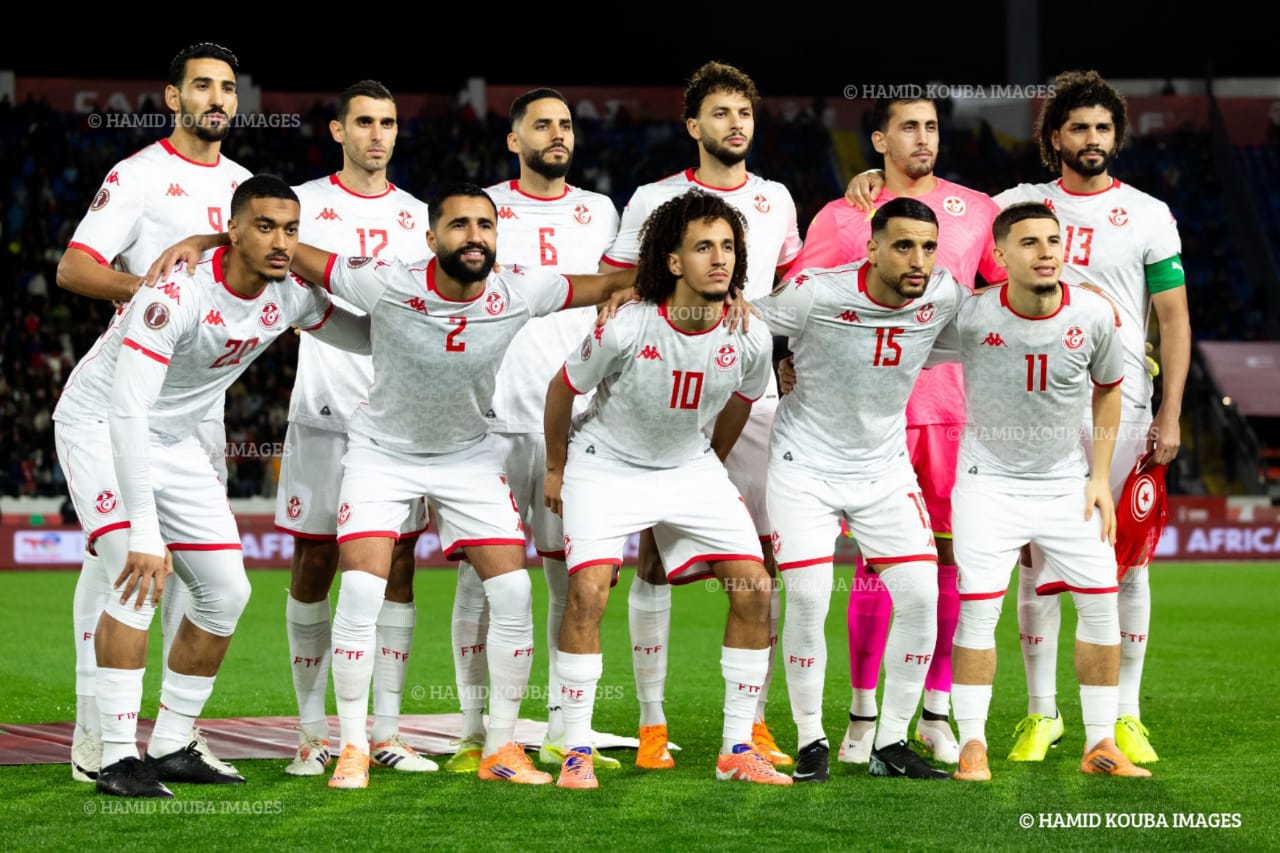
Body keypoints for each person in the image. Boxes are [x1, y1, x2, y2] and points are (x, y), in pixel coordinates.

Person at [281, 182, 638, 789]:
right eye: (459, 225)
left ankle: (500, 747)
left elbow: (607, 283)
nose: (474, 236)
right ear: (430, 238)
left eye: (485, 225)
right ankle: (353, 747)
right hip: (382, 454)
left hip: (467, 456)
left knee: (515, 594)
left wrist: (640, 289)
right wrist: (207, 239)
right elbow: (288, 250)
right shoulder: (386, 281)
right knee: (362, 591)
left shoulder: (520, 288)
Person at [53, 175, 371, 797]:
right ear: (232, 231)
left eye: (291, 230)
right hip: (101, 426)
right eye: (265, 227)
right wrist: (145, 533)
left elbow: (364, 336)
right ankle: (115, 758)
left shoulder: (291, 295)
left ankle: (172, 743)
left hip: (173, 438)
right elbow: (126, 410)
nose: (281, 242)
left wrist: (433, 310)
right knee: (134, 577)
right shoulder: (177, 293)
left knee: (225, 592)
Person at [53, 41, 250, 785]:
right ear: (173, 97)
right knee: (125, 565)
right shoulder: (138, 174)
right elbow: (75, 268)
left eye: (227, 87)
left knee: (200, 579)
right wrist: (156, 295)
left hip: (198, 411)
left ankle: (174, 736)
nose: (217, 98)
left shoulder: (244, 188)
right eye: (202, 85)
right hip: (125, 394)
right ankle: (96, 740)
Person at [546, 190, 789, 789]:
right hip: (605, 465)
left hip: (688, 467)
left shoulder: (751, 334)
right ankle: (575, 747)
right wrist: (555, 467)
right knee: (588, 592)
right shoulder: (628, 324)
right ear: (674, 261)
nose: (720, 258)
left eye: (728, 246)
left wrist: (711, 464)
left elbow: (744, 398)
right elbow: (562, 388)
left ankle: (737, 747)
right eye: (703, 247)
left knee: (755, 587)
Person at [601, 60, 802, 769]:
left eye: (743, 112)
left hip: (755, 396)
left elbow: (793, 287)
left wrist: (778, 342)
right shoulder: (654, 198)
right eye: (720, 113)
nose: (735, 124)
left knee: (764, 563)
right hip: (673, 399)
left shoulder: (777, 198)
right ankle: (652, 723)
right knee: (655, 558)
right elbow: (619, 286)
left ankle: (754, 723)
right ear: (693, 125)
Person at [793, 97, 1004, 767]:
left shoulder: (978, 210)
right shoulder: (842, 215)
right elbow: (801, 295)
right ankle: (863, 717)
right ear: (879, 139)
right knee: (873, 567)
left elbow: (1006, 296)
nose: (924, 137)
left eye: (932, 126)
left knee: (949, 562)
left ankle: (934, 712)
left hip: (953, 412)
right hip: (866, 419)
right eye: (908, 126)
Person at [992, 71, 1189, 765]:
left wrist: (1171, 412)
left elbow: (1173, 319)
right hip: (1036, 406)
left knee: (1127, 561)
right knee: (1036, 561)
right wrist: (873, 181)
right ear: (1054, 137)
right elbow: (945, 225)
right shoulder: (1018, 204)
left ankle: (1125, 715)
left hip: (1126, 405)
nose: (1092, 138)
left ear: (1117, 137)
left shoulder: (1148, 214)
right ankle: (1041, 714)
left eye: (1103, 127)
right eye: (1078, 127)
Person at [939, 201, 1150, 781]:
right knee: (979, 611)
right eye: (1029, 242)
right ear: (1000, 255)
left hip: (1066, 487)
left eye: (1053, 241)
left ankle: (1101, 743)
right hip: (987, 487)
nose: (1046, 252)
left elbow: (1109, 389)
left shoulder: (1095, 314)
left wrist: (1099, 476)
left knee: (1101, 605)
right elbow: (904, 345)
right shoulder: (972, 315)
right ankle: (972, 744)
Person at [443, 88, 622, 774]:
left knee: (568, 578)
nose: (558, 134)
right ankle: (473, 733)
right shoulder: (483, 209)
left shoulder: (600, 210)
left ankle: (557, 728)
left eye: (566, 124)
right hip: (489, 420)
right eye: (542, 124)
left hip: (575, 420)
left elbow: (617, 295)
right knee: (481, 579)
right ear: (514, 140)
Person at [758, 198, 964, 782]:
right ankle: (811, 740)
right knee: (808, 598)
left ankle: (891, 742)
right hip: (804, 467)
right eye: (903, 246)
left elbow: (995, 324)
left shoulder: (944, 293)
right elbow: (746, 323)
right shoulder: (815, 293)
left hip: (884, 470)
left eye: (928, 246)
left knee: (921, 597)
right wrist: (776, 363)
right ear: (872, 249)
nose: (918, 259)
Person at [273, 80, 436, 777]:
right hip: (324, 409)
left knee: (398, 564)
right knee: (314, 562)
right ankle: (313, 732)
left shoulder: (418, 215)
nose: (377, 134)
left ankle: (387, 731)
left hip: (400, 419)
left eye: (388, 123)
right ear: (338, 130)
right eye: (364, 122)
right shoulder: (304, 204)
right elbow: (281, 280)